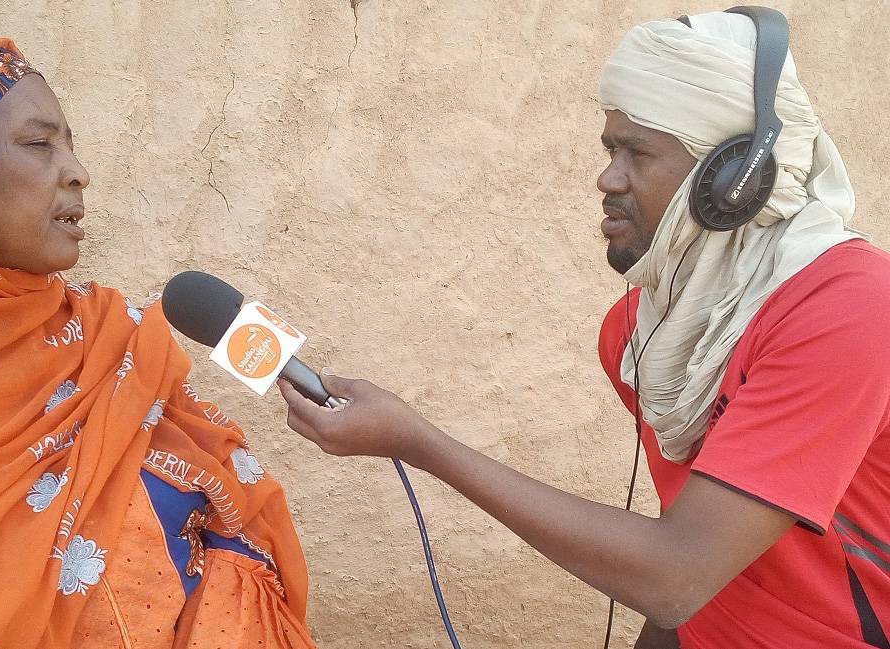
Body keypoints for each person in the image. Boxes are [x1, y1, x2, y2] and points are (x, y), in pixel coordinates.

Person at [279, 9, 890, 649]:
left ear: (734, 179)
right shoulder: (641, 333)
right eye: (610, 148)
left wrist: (418, 442)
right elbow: (688, 584)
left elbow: (676, 576)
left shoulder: (849, 311)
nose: (608, 178)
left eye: (639, 152)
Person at [0, 26, 316, 648]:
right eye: (38, 144)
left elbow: (237, 556)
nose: (77, 172)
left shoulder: (113, 350)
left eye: (70, 144)